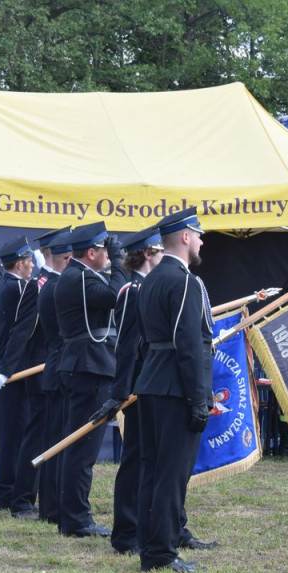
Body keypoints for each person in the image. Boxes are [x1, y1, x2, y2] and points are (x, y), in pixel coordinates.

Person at [134, 207, 214, 573]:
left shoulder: (150, 278)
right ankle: (162, 553)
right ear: (184, 237)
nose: (200, 241)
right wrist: (199, 398)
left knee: (152, 470)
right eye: (197, 234)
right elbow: (188, 343)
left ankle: (151, 545)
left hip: (153, 382)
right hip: (173, 387)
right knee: (171, 473)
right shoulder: (182, 281)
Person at [87, 226, 164, 553]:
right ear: (148, 253)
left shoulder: (151, 286)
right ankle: (127, 533)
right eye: (160, 249)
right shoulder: (132, 290)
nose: (164, 255)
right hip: (137, 387)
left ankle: (165, 525)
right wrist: (119, 395)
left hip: (156, 385)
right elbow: (128, 345)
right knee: (136, 459)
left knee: (160, 460)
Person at [53, 221, 127, 537]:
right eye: (105, 250)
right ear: (92, 251)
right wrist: (120, 263)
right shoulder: (78, 277)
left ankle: (72, 514)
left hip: (87, 364)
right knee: (82, 447)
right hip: (89, 366)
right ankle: (75, 518)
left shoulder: (81, 276)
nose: (110, 256)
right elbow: (115, 295)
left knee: (79, 444)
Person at [3, 227, 70, 520]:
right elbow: (23, 331)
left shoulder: (55, 282)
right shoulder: (39, 285)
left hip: (55, 369)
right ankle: (22, 499)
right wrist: (4, 370)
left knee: (49, 435)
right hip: (39, 369)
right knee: (36, 435)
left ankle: (46, 499)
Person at [0, 235, 34, 510]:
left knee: (8, 434)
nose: (31, 266)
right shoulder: (19, 289)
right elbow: (19, 333)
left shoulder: (6, 285)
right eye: (28, 261)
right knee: (15, 435)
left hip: (8, 366)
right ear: (18, 263)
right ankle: (7, 491)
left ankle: (2, 491)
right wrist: (7, 369)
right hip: (16, 369)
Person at [35, 229, 75, 525]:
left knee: (53, 439)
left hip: (55, 365)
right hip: (62, 366)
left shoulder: (49, 284)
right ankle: (54, 506)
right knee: (59, 441)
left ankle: (50, 506)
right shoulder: (56, 286)